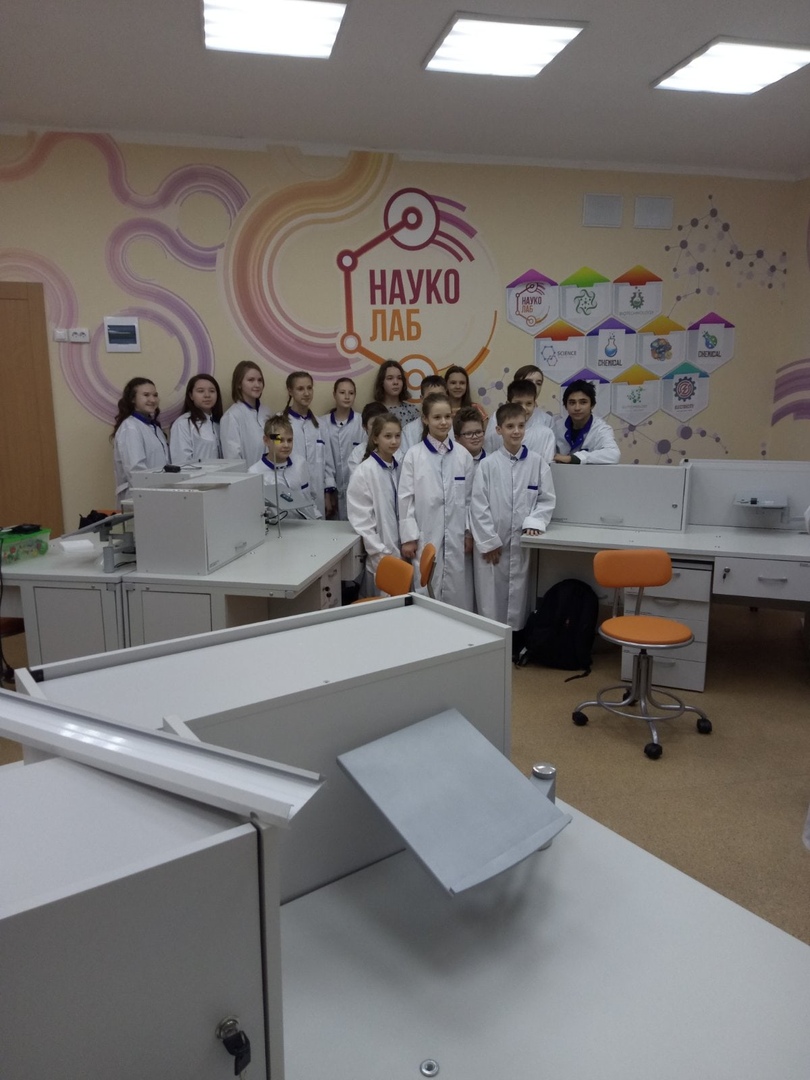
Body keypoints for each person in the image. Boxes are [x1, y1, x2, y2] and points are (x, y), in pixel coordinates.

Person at [471, 403, 556, 630]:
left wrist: (534, 522)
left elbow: (546, 499)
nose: (516, 431)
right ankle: (492, 640)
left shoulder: (537, 463)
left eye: (520, 426)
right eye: (510, 426)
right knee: (491, 598)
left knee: (519, 596)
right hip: (493, 545)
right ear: (498, 430)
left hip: (521, 543)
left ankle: (517, 639)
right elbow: (478, 505)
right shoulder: (487, 465)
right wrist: (489, 541)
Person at [399, 392, 474, 610]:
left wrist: (468, 532)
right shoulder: (414, 455)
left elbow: (470, 499)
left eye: (447, 417)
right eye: (437, 417)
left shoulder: (463, 455)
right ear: (425, 419)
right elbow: (405, 498)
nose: (443, 422)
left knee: (457, 591)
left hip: (457, 535)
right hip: (426, 533)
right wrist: (409, 537)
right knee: (426, 587)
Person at [346, 413, 403, 594]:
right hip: (380, 553)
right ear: (375, 438)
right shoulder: (364, 471)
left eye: (397, 436)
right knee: (382, 601)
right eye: (388, 436)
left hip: (402, 549)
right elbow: (361, 520)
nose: (394, 441)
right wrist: (380, 552)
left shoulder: (400, 467)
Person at [248, 414, 320, 520]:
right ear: (266, 440)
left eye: (289, 440)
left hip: (308, 523)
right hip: (278, 526)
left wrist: (317, 518)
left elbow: (310, 497)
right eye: (280, 440)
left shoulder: (300, 463)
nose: (286, 445)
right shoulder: (255, 473)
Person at [111, 377, 169, 505]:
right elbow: (135, 470)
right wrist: (151, 497)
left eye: (155, 395)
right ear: (132, 399)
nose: (152, 400)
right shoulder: (130, 428)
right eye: (146, 395)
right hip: (141, 497)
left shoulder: (154, 427)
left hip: (158, 494)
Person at [283, 370, 333, 517]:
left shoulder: (321, 425)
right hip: (291, 492)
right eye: (300, 389)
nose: (306, 393)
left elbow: (328, 462)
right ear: (290, 391)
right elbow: (274, 457)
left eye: (309, 388)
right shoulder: (280, 423)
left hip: (317, 493)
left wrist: (328, 494)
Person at [320, 377, 363, 520]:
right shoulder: (322, 423)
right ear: (334, 394)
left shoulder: (361, 422)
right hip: (331, 491)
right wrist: (328, 489)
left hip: (356, 488)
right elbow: (323, 459)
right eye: (342, 392)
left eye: (351, 393)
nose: (347, 396)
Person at [553, 379, 621, 464]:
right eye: (572, 403)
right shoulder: (556, 426)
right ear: (566, 406)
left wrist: (574, 458)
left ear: (592, 405)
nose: (577, 408)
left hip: (591, 472)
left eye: (583, 402)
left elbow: (614, 455)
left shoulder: (601, 429)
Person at [486, 379, 555, 462]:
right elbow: (488, 455)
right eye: (518, 403)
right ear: (508, 403)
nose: (524, 408)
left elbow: (548, 464)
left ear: (534, 404)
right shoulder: (496, 431)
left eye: (529, 403)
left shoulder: (546, 434)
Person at [220, 361, 271, 465]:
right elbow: (232, 458)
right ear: (239, 384)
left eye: (260, 380)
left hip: (271, 473)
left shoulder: (267, 412)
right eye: (251, 380)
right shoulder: (232, 416)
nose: (257, 384)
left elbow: (276, 441)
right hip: (248, 474)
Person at [169, 374, 223, 464]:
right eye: (200, 391)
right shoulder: (183, 423)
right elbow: (181, 462)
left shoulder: (219, 423)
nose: (207, 395)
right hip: (198, 473)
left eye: (212, 391)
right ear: (191, 395)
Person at [399, 374, 446, 452]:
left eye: (440, 396)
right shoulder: (408, 431)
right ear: (422, 399)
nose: (436, 401)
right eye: (431, 396)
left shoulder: (451, 427)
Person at [348, 402, 391, 477]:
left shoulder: (395, 450)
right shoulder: (357, 453)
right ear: (365, 427)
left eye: (381, 423)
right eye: (373, 424)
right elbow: (356, 480)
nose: (378, 428)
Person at [372, 359, 420, 425]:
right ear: (382, 382)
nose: (396, 382)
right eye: (390, 378)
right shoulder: (374, 411)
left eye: (399, 378)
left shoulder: (411, 410)